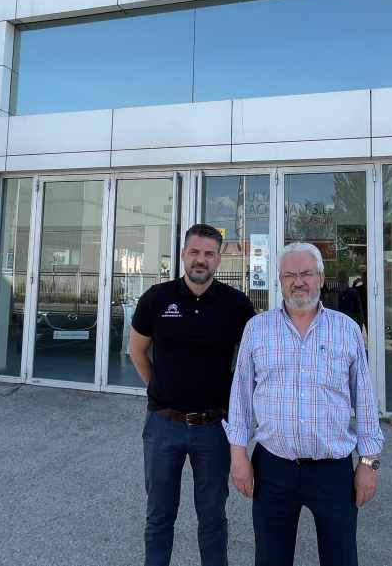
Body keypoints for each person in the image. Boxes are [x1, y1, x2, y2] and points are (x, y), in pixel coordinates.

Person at [225, 242, 384, 566]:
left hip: (333, 469)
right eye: (290, 275)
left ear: (321, 278)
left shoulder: (346, 329)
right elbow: (239, 397)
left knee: (340, 557)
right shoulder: (257, 329)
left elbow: (365, 400)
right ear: (279, 280)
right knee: (271, 557)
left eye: (307, 273)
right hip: (273, 466)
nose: (299, 281)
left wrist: (368, 464)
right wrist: (238, 455)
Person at [129, 223, 256, 566]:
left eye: (209, 254)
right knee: (158, 516)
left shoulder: (237, 305)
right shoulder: (156, 298)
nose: (201, 260)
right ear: (184, 254)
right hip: (163, 425)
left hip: (214, 428)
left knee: (213, 518)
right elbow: (137, 351)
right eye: (195, 252)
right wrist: (159, 388)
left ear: (218, 259)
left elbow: (251, 364)